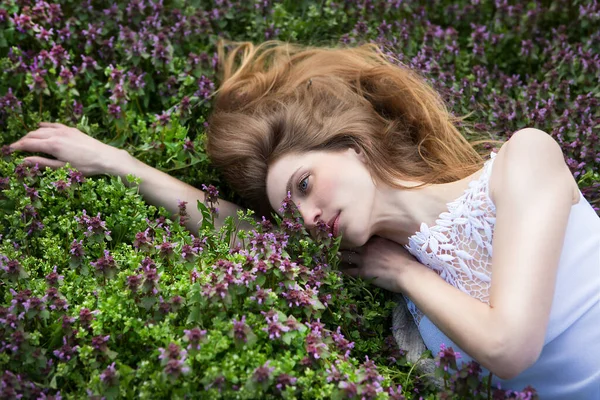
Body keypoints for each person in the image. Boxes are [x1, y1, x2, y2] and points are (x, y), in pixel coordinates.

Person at [10, 41, 599, 399]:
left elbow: (510, 344)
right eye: (295, 212)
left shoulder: (523, 160)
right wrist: (118, 163)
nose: (310, 216)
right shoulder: (376, 269)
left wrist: (407, 275)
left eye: (305, 184)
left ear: (350, 145)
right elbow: (235, 229)